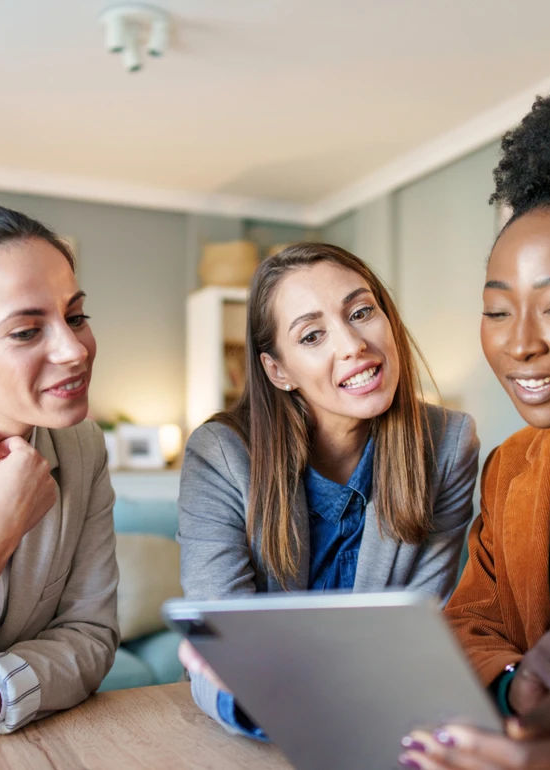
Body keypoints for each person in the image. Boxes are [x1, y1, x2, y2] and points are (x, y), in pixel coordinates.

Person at [177, 242, 480, 737]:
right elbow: (224, 640)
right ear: (278, 371)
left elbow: (424, 628)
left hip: (386, 715)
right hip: (254, 720)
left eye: (361, 312)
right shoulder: (221, 454)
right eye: (313, 335)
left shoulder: (447, 444)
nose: (352, 344)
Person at [399, 80, 550, 769]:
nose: (519, 344)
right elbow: (469, 621)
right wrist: (519, 684)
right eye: (498, 310)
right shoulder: (511, 466)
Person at [0, 204, 119, 734]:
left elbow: (91, 635)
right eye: (27, 331)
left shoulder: (82, 448)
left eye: (75, 317)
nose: (75, 349)